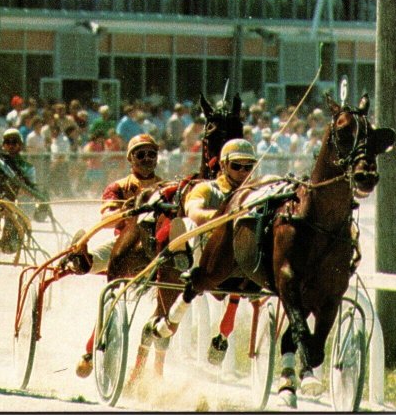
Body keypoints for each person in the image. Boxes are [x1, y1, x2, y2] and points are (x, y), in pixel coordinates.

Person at [145, 138, 257, 362]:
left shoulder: (257, 193)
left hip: (240, 258)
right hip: (205, 251)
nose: (243, 172)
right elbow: (193, 210)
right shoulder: (206, 188)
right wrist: (223, 218)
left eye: (249, 166)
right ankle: (180, 254)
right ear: (224, 165)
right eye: (237, 166)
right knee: (188, 225)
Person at [69, 133, 165, 377]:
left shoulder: (166, 187)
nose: (147, 159)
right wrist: (131, 209)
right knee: (92, 263)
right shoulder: (118, 187)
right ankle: (80, 258)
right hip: (122, 243)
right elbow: (108, 215)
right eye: (140, 155)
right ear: (130, 159)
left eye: (151, 154)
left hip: (157, 248)